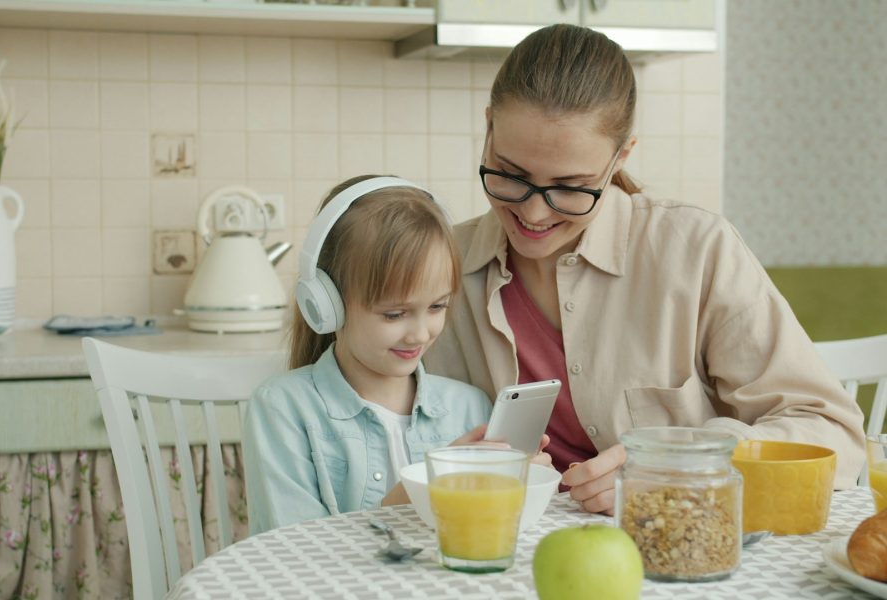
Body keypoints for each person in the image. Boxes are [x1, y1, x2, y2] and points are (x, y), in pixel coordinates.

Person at [424, 23, 865, 515]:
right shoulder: (440, 268)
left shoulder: (696, 250)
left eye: (571, 187)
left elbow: (833, 434)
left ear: (620, 158)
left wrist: (680, 467)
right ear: (488, 129)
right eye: (510, 175)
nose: (534, 214)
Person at [243, 175, 551, 535]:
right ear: (328, 306)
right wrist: (419, 492)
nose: (420, 334)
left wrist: (520, 488)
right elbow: (294, 549)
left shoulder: (470, 407)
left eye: (437, 306)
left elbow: (486, 535)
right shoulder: (283, 408)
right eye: (394, 314)